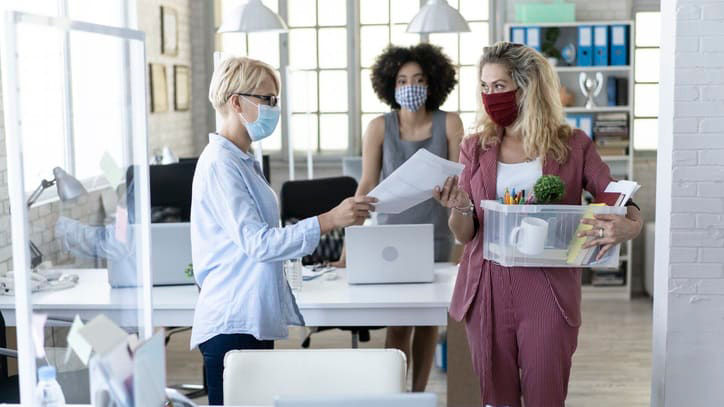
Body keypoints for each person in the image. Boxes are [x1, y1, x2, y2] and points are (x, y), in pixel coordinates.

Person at [433, 42, 643, 406]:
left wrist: (632, 225)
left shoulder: (573, 144)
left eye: (498, 86)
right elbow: (464, 235)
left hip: (548, 287)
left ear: (526, 85)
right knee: (496, 399)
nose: (489, 96)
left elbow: (616, 194)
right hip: (486, 286)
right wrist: (460, 208)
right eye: (484, 87)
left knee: (547, 396)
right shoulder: (475, 147)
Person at [189, 56, 376, 405]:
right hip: (233, 321)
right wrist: (328, 220)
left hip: (251, 316)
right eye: (267, 99)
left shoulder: (241, 159)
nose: (275, 108)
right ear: (235, 101)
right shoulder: (220, 164)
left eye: (276, 99)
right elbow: (258, 243)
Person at [336, 43, 464, 392]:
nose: (411, 87)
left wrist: (460, 245)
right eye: (403, 80)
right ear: (391, 85)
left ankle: (419, 394)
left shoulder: (450, 123)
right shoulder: (379, 127)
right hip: (391, 242)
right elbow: (366, 185)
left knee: (427, 324)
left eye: (419, 79)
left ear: (433, 82)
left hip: (437, 237)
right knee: (398, 324)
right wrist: (348, 252)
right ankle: (395, 396)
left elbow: (460, 185)